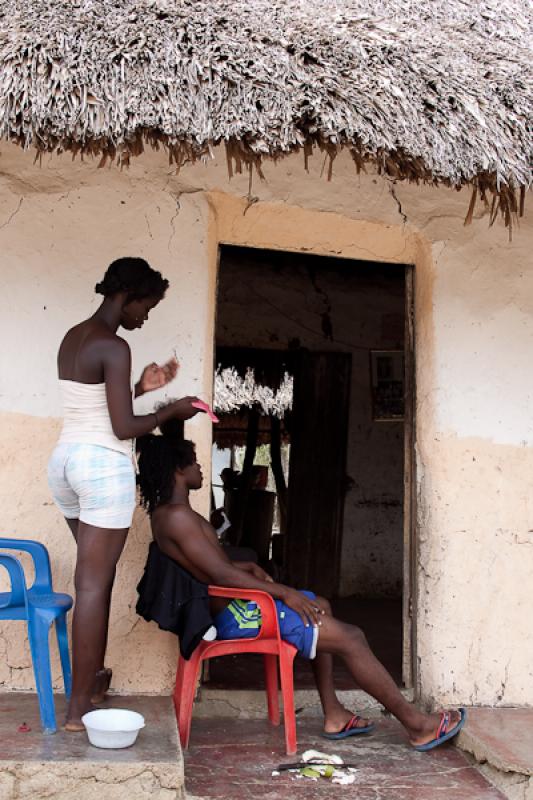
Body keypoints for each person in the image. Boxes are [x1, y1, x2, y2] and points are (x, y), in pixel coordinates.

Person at [136, 427, 466, 751]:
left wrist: (243, 567)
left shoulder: (169, 515)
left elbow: (205, 568)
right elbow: (220, 574)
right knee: (352, 638)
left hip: (235, 606)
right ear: (178, 469)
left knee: (320, 603)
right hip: (242, 615)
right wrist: (283, 592)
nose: (199, 468)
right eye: (193, 462)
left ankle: (333, 713)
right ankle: (418, 726)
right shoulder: (178, 516)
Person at [47, 257, 202, 731]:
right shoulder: (115, 345)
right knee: (93, 585)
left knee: (99, 579)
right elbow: (121, 427)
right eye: (147, 306)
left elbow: (96, 407)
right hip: (100, 469)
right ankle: (78, 711)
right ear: (129, 295)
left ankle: (91, 683)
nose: (146, 316)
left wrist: (139, 387)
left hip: (66, 464)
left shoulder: (75, 336)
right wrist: (170, 408)